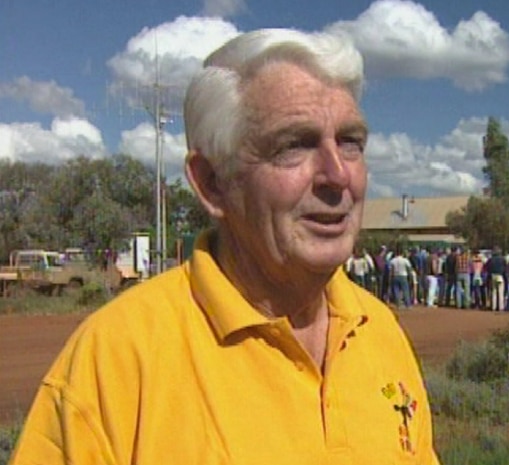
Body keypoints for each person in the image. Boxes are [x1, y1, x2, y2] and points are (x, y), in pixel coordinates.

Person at [10, 29, 439, 464]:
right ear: (212, 183)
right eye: (294, 145)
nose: (338, 175)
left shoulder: (379, 332)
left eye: (350, 142)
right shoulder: (116, 360)